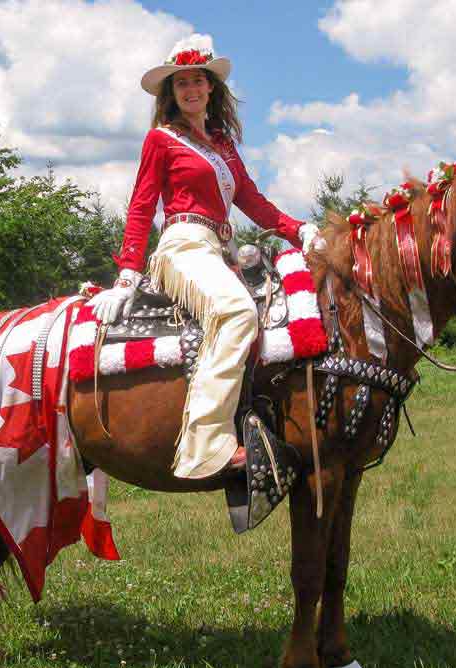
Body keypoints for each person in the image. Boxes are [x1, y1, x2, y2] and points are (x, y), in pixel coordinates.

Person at [89, 35, 321, 479]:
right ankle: (205, 446)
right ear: (171, 95)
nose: (191, 90)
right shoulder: (160, 140)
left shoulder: (223, 145)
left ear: (211, 88)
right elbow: (142, 205)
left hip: (220, 248)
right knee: (236, 313)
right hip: (183, 246)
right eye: (181, 85)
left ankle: (258, 421)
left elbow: (252, 201)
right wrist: (126, 274)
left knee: (271, 313)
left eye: (198, 81)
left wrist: (299, 229)